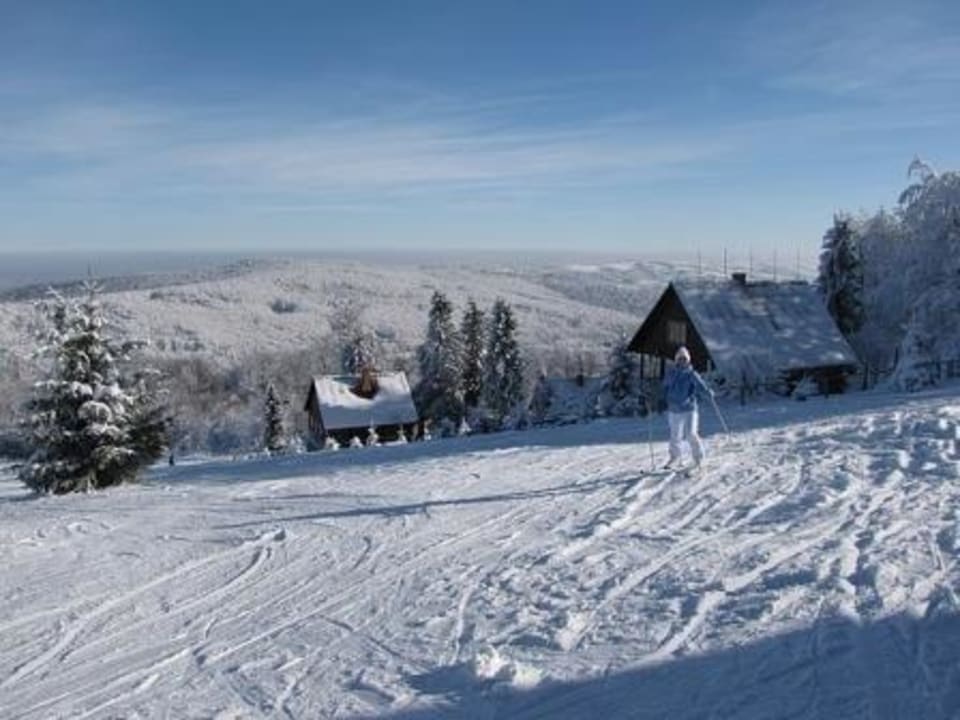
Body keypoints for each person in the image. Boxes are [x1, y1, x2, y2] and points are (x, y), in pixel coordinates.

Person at [662, 345, 713, 470]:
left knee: (691, 434)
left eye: (684, 359)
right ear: (676, 360)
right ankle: (675, 458)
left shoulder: (691, 374)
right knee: (675, 435)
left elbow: (701, 386)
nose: (682, 361)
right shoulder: (671, 374)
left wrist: (708, 392)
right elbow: (664, 388)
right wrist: (658, 399)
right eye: (680, 359)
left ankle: (699, 459)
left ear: (688, 360)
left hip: (689, 408)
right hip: (674, 409)